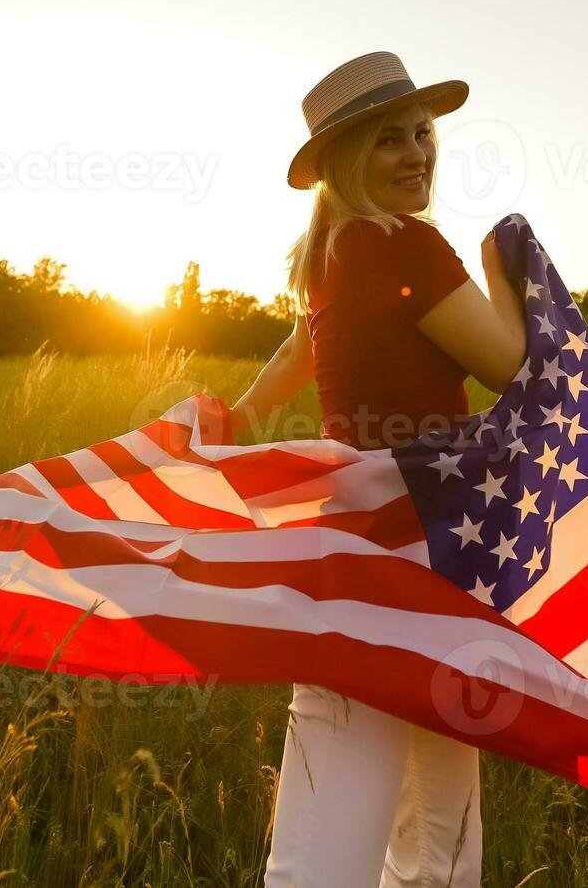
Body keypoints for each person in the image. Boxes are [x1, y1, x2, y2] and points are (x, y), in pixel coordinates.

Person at [225, 51, 529, 887]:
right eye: (389, 140)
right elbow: (507, 365)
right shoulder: (406, 246)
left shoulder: (324, 251)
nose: (416, 153)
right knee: (413, 799)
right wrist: (509, 278)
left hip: (368, 540)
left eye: (422, 133)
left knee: (382, 774)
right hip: (425, 542)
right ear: (344, 162)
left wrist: (244, 413)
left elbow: (298, 344)